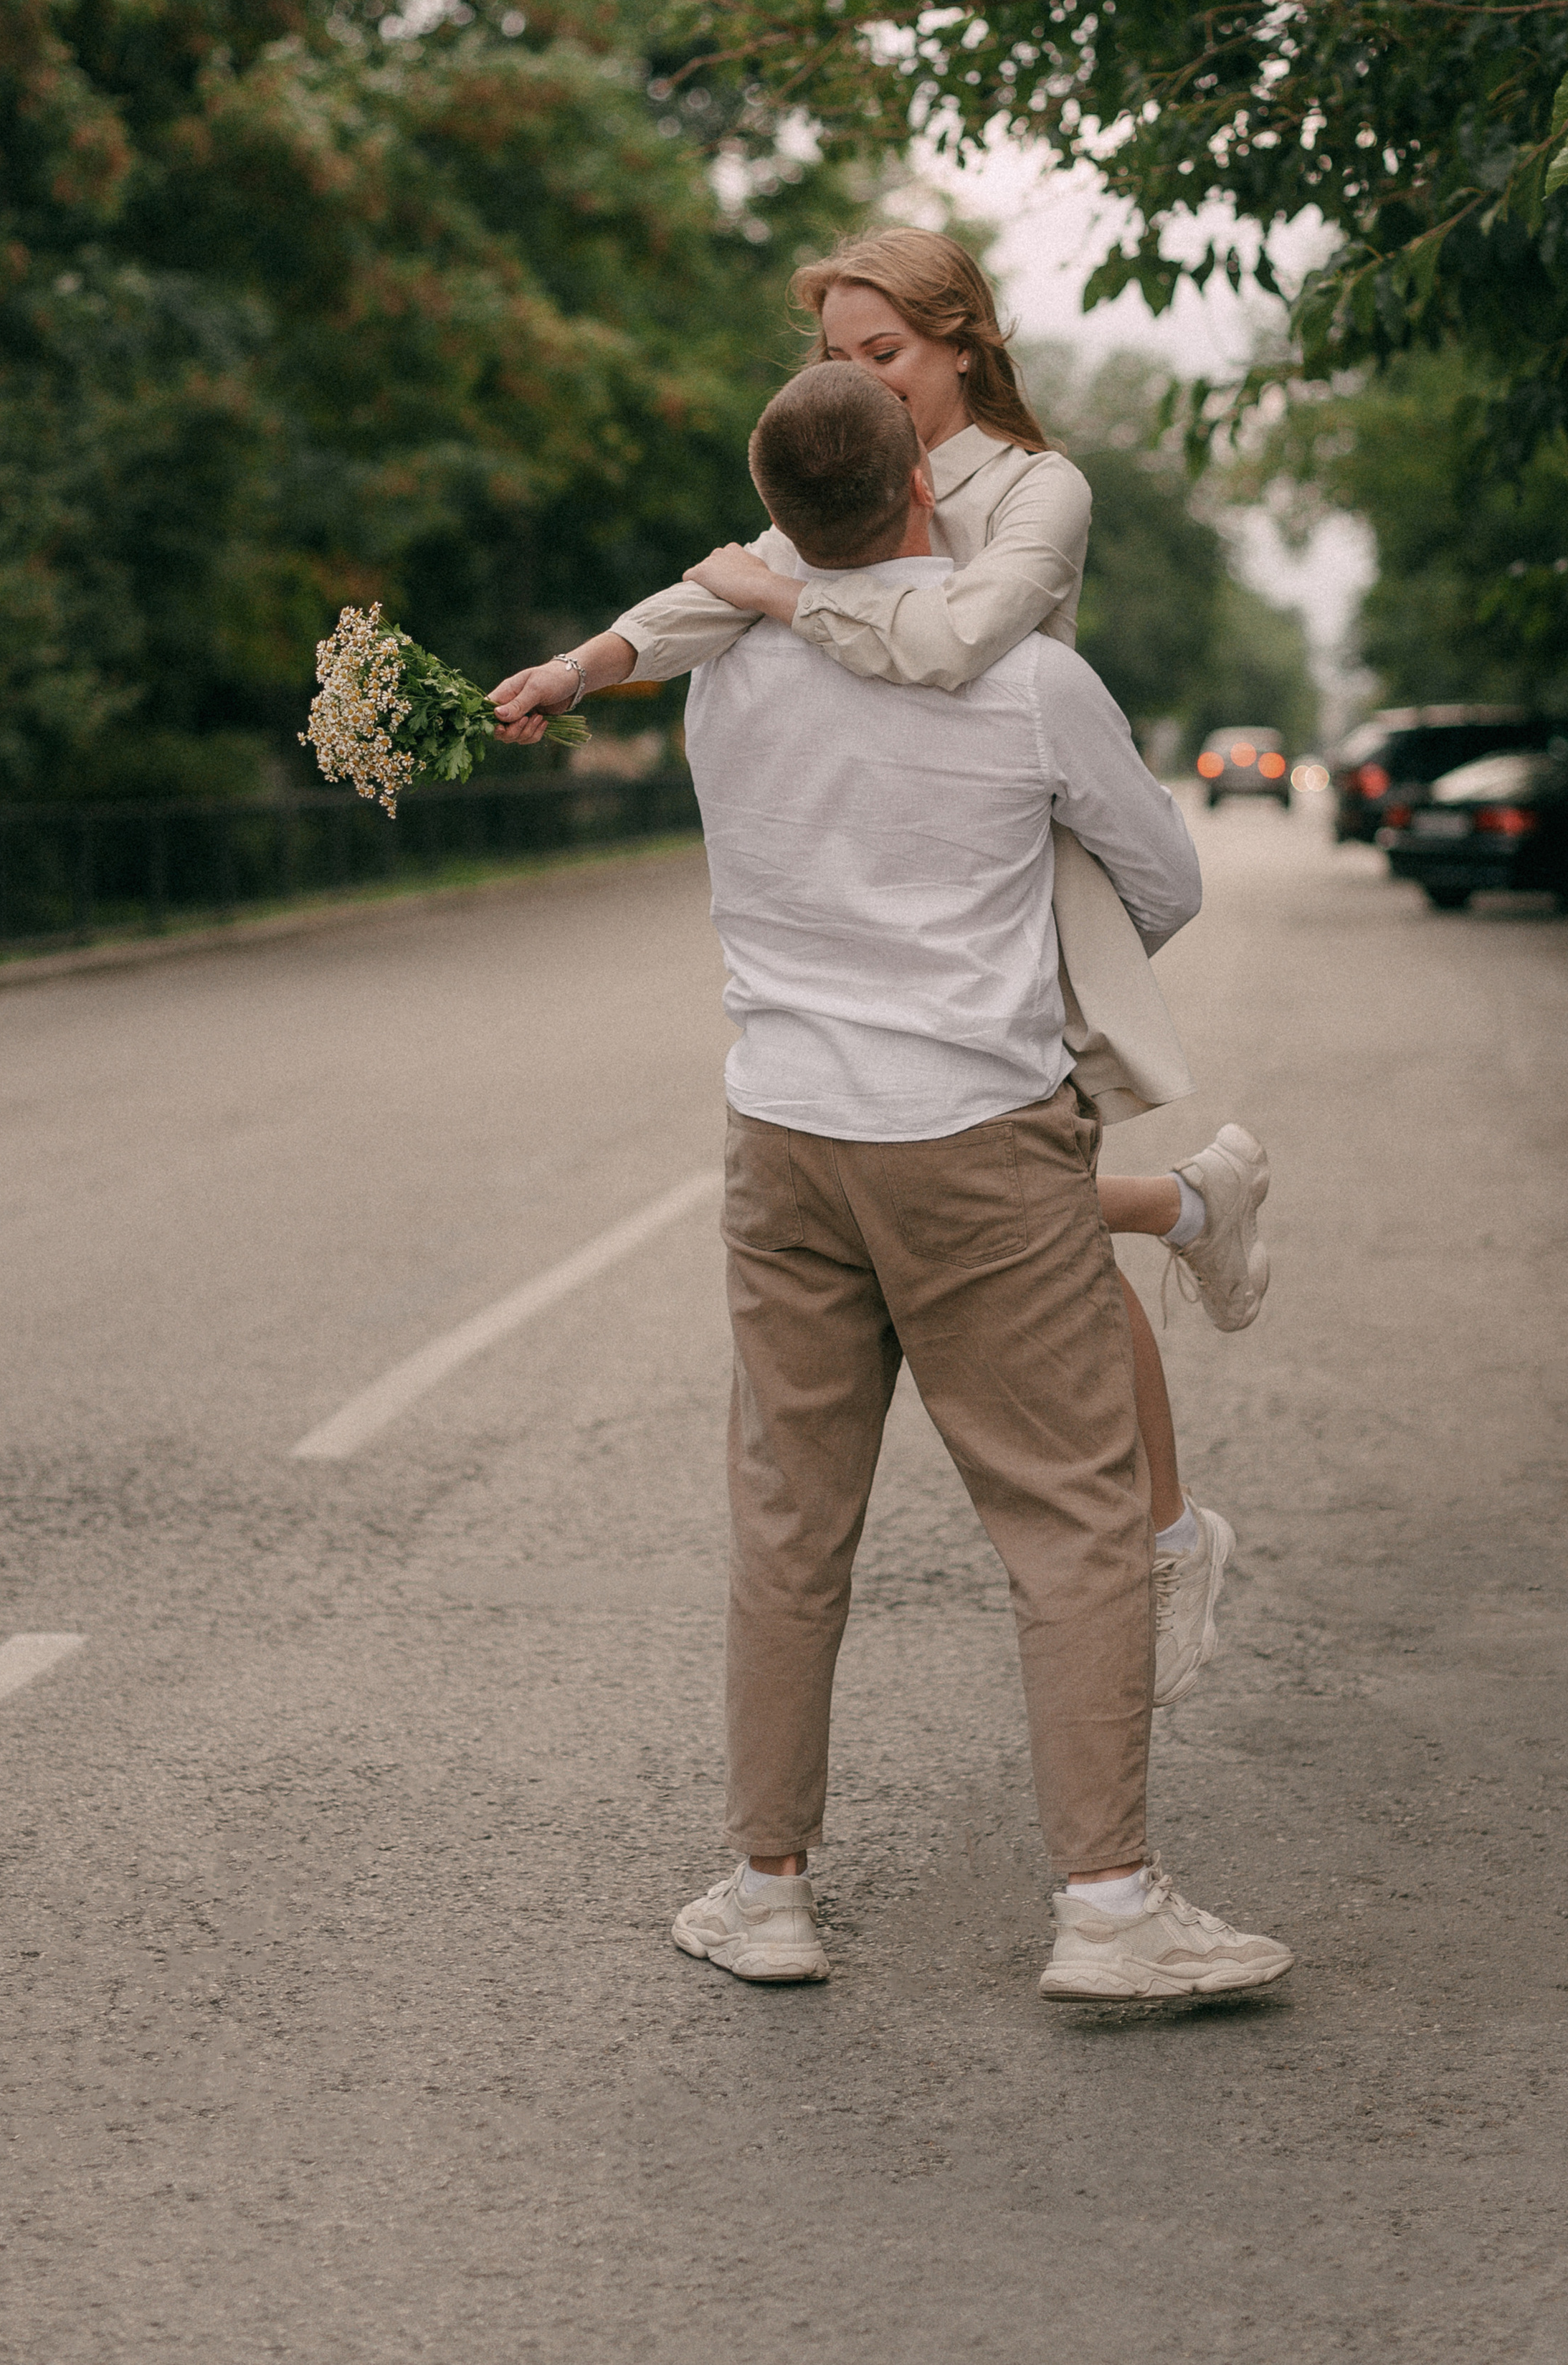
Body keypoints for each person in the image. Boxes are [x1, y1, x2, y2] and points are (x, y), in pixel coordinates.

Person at [491, 227, 1270, 1708]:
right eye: (835, 358)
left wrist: (787, 598)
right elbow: (705, 594)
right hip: (912, 859)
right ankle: (1186, 1221)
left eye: (881, 354)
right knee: (1012, 1212)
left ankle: (1163, 1536)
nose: (856, 379)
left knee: (1011, 1218)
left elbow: (961, 636)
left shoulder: (1036, 490)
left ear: (959, 343)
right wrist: (580, 667)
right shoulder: (847, 473)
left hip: (1008, 865)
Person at [657, 360, 1293, 1998]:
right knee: (1074, 1515)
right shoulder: (1022, 680)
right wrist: (1038, 990)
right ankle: (1106, 1909)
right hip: (972, 1134)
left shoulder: (720, 675)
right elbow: (1159, 878)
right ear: (924, 486)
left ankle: (764, 1888)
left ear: (777, 511)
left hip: (782, 1129)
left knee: (791, 1516)